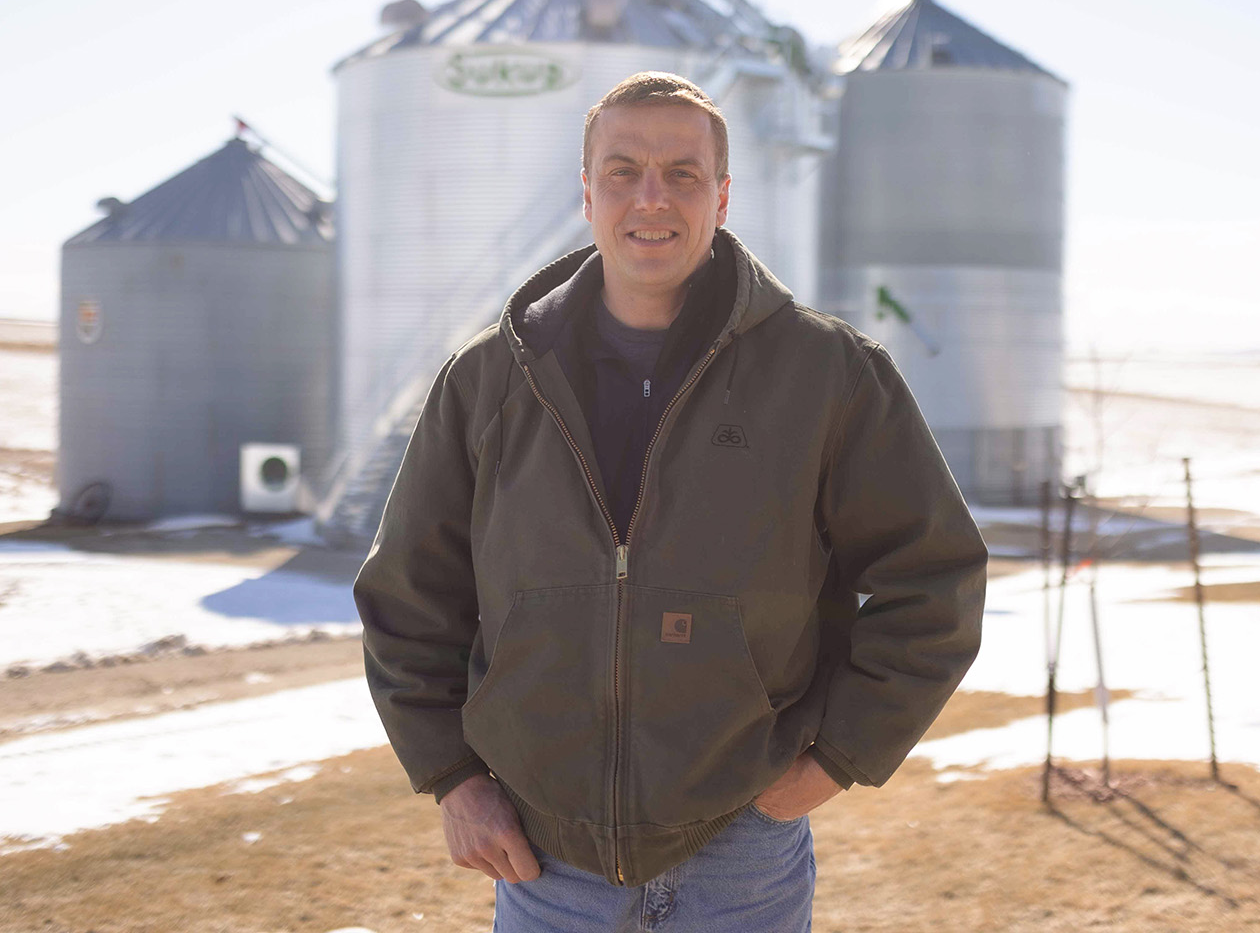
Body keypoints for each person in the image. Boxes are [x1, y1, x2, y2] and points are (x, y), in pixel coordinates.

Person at [352, 71, 988, 930]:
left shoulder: (827, 375)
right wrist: (452, 780)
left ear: (722, 197)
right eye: (623, 171)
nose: (652, 197)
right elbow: (408, 598)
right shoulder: (490, 382)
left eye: (683, 173)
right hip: (546, 865)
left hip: (741, 857)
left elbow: (933, 578)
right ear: (586, 193)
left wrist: (832, 762)